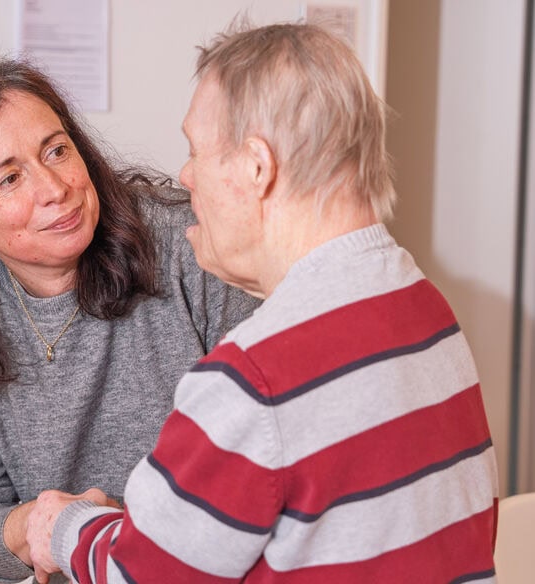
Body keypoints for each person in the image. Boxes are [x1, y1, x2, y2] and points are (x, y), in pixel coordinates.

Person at [25, 22, 500, 584]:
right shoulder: (425, 309)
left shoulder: (255, 380)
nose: (185, 176)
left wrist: (65, 525)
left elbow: (142, 574)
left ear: (256, 166)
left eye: (196, 151)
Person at [0, 59, 260, 584]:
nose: (54, 187)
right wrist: (37, 524)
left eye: (56, 150)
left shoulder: (186, 245)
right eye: (9, 178)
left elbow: (280, 432)